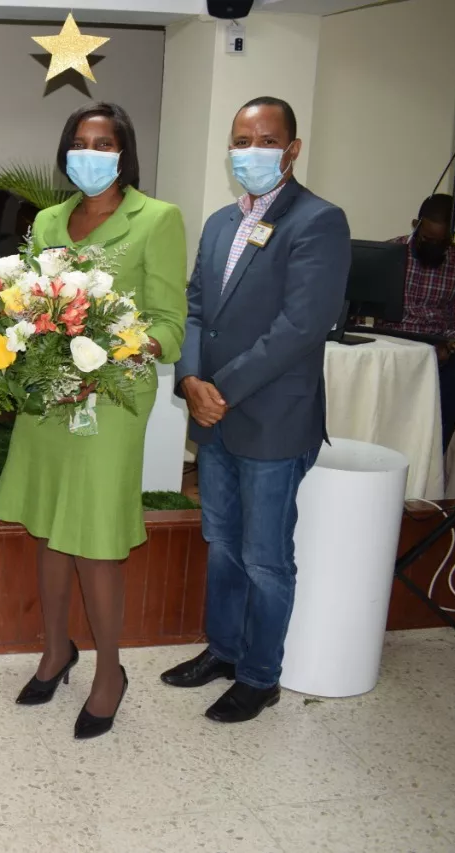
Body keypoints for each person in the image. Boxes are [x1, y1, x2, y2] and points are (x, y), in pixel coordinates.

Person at [0, 103, 187, 739]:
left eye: (104, 143)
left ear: (124, 153)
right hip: (50, 396)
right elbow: (26, 300)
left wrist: (119, 346)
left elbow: (170, 323)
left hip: (112, 400)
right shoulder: (47, 219)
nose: (91, 153)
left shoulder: (157, 219)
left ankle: (110, 672)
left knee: (97, 538)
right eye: (80, 142)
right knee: (48, 527)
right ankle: (55, 651)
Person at [163, 96, 350, 723]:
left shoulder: (318, 221)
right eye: (242, 139)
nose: (251, 152)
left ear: (292, 150)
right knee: (222, 541)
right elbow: (193, 306)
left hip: (271, 417)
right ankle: (224, 650)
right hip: (214, 413)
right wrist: (190, 376)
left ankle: (261, 675)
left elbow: (302, 326)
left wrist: (222, 388)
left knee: (267, 557)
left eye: (266, 140)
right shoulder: (220, 222)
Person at [377, 193, 455, 447]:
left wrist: (449, 346)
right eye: (428, 239)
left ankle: (434, 455)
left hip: (439, 348)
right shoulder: (390, 253)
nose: (434, 246)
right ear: (416, 225)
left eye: (443, 242)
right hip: (393, 341)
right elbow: (365, 308)